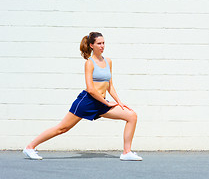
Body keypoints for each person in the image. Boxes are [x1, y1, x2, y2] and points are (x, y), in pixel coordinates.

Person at [23, 32, 142, 161]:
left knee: (132, 116)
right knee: (62, 128)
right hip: (87, 102)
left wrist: (119, 102)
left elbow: (110, 85)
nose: (102, 46)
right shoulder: (89, 63)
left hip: (102, 102)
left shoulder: (108, 61)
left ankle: (126, 152)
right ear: (91, 45)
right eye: (99, 43)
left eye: (103, 43)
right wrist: (107, 103)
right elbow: (91, 89)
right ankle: (30, 147)